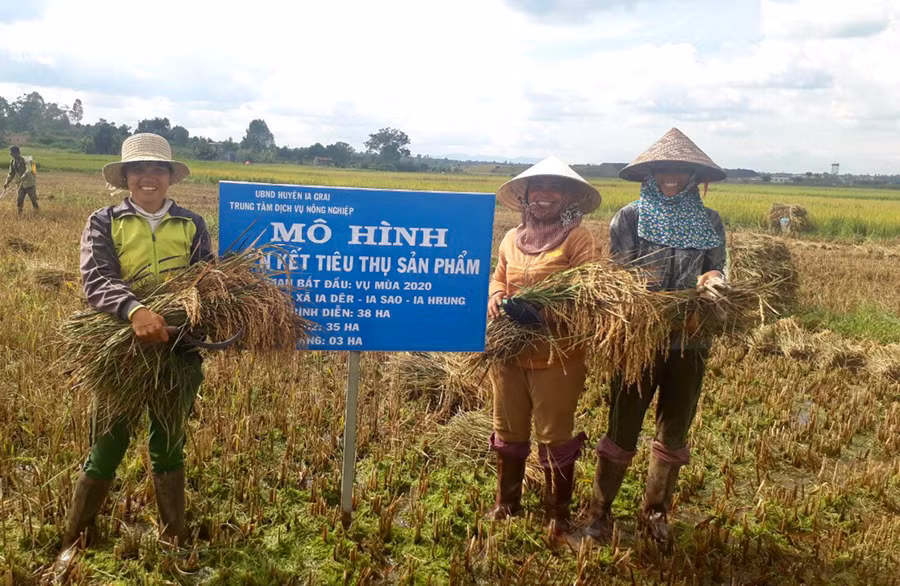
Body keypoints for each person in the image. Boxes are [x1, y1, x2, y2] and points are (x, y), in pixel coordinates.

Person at [55, 134, 211, 570]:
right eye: (138, 169)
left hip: (177, 352)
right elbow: (97, 278)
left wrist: (191, 319)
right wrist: (135, 309)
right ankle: (75, 538)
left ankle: (175, 540)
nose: (148, 176)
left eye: (157, 169)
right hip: (119, 350)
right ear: (125, 177)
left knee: (169, 443)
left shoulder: (192, 224)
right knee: (107, 444)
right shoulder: (104, 221)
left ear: (169, 176)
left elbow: (206, 282)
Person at [585, 128, 728, 544]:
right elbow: (616, 275)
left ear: (692, 175)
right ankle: (598, 512)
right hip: (640, 340)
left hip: (692, 339)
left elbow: (716, 265)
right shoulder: (629, 217)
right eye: (663, 170)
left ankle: (655, 514)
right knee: (622, 423)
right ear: (650, 173)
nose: (671, 177)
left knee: (675, 428)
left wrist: (713, 280)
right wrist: (640, 295)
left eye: (679, 171)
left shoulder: (710, 221)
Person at [487, 156, 602, 544]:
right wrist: (498, 296)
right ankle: (507, 504)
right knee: (508, 429)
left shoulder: (577, 238)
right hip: (509, 354)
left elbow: (589, 293)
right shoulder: (510, 238)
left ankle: (558, 516)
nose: (543, 196)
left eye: (553, 189)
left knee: (554, 435)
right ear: (525, 196)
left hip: (557, 355)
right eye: (537, 189)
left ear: (568, 197)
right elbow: (498, 276)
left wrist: (542, 312)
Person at [4, 145, 39, 216]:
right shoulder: (12, 162)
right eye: (11, 153)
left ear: (18, 152)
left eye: (13, 153)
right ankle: (20, 213)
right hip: (20, 184)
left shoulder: (26, 160)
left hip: (29, 182)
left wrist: (24, 175)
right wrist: (7, 182)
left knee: (33, 199)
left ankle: (37, 212)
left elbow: (28, 169)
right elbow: (11, 173)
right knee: (19, 199)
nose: (11, 155)